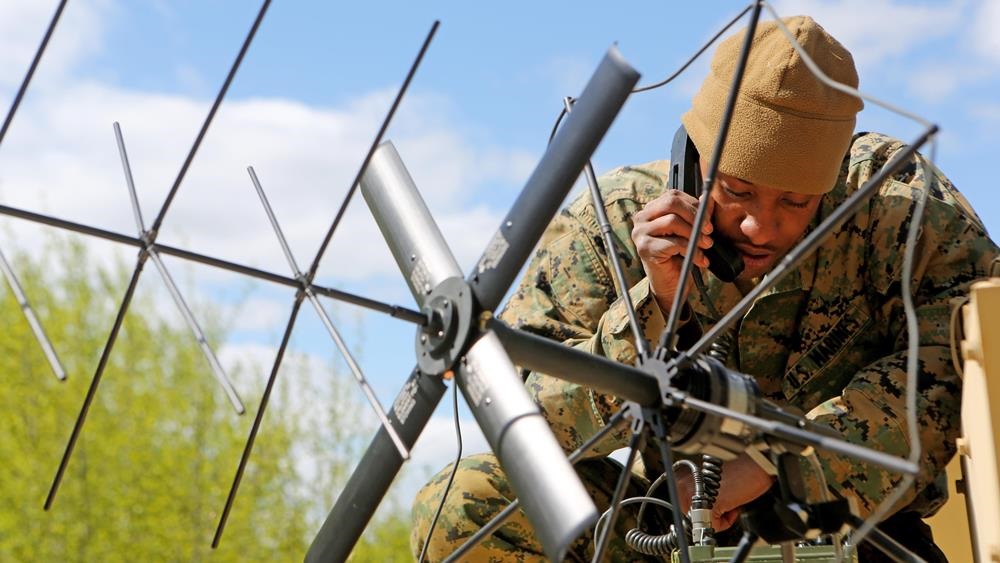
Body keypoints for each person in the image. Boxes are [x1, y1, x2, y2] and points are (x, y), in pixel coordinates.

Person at [411, 15, 999, 562]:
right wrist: (654, 306)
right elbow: (521, 419)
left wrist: (784, 463)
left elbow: (963, 371)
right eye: (737, 190)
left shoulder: (894, 201)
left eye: (796, 202)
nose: (759, 226)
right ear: (695, 161)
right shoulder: (612, 221)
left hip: (846, 530)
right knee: (466, 504)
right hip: (668, 531)